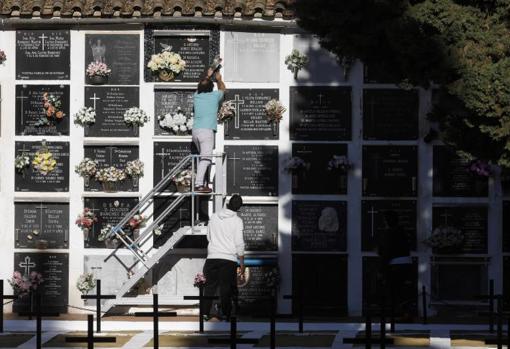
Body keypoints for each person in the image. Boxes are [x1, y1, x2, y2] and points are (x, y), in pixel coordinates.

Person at [202, 194, 245, 320]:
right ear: (238, 208)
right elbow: (239, 243)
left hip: (212, 256)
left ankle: (205, 313)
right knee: (226, 287)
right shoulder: (237, 221)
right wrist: (242, 263)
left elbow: (208, 237)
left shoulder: (214, 217)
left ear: (228, 204)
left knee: (209, 286)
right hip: (228, 259)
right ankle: (226, 314)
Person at [192, 68, 226, 193]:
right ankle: (199, 185)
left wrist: (207, 75)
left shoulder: (196, 96)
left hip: (195, 131)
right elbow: (223, 89)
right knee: (206, 159)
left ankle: (204, 183)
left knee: (203, 159)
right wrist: (219, 79)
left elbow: (201, 85)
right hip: (206, 131)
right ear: (212, 88)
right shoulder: (215, 96)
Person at [377, 210, 414, 321]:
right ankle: (406, 313)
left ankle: (399, 314)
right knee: (403, 290)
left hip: (395, 265)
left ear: (388, 221)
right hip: (406, 263)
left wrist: (381, 269)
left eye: (385, 220)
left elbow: (387, 252)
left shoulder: (389, 233)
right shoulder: (402, 231)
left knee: (394, 291)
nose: (384, 222)